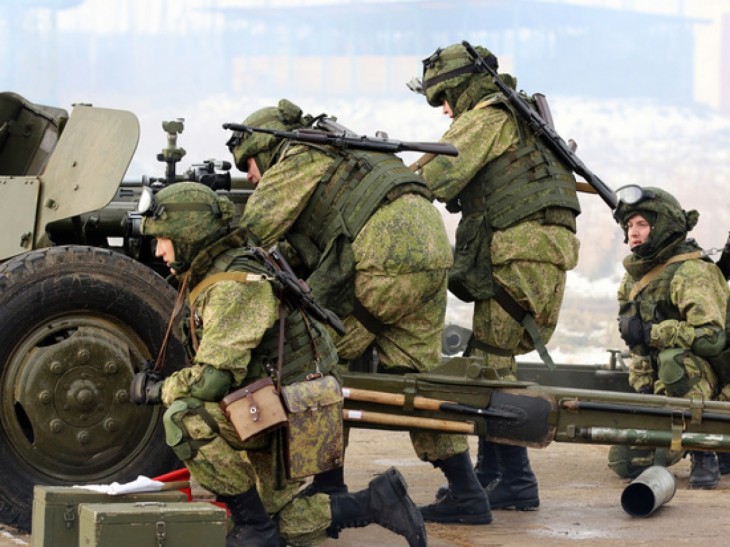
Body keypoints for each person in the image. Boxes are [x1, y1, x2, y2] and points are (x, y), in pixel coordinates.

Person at [228, 99, 492, 525]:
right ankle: (467, 493)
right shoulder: (347, 150)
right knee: (418, 377)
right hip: (430, 247)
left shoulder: (297, 155)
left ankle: (329, 485)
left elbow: (251, 234)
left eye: (249, 165)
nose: (251, 176)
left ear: (263, 150)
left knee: (316, 360)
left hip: (384, 255)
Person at [128, 181, 427, 547]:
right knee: (281, 523)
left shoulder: (234, 284)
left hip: (288, 413)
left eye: (163, 239)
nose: (158, 251)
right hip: (275, 404)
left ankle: (255, 529)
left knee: (184, 417)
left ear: (188, 235)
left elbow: (211, 383)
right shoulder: (223, 270)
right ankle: (377, 501)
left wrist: (161, 390)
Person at [409, 42, 582, 512]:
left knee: (490, 366)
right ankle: (491, 474)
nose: (444, 109)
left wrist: (387, 182)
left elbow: (434, 178)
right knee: (487, 357)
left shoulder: (489, 116)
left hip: (520, 255)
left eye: (443, 96)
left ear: (463, 85)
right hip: (537, 255)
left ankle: (518, 483)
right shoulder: (519, 117)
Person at [608, 184, 730, 488]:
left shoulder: (691, 271)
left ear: (662, 227)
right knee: (624, 462)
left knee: (672, 360)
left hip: (709, 379)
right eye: (629, 225)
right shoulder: (634, 275)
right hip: (659, 386)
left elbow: (712, 337)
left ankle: (706, 451)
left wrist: (654, 333)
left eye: (642, 224)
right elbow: (636, 344)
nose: (633, 232)